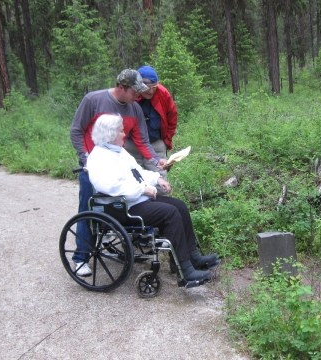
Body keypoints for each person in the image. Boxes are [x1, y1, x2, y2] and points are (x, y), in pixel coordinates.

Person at [87, 114, 220, 283]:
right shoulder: (100, 157)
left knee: (180, 206)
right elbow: (110, 187)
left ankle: (193, 257)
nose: (124, 134)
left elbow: (138, 172)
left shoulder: (118, 152)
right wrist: (142, 189)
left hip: (136, 201)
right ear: (109, 134)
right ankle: (186, 271)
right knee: (170, 213)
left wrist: (157, 179)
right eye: (121, 131)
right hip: (122, 207)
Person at [70, 69, 167, 276]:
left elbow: (141, 139)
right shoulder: (93, 100)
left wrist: (156, 160)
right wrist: (87, 159)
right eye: (134, 92)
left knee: (125, 200)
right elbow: (76, 130)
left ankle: (119, 236)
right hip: (93, 164)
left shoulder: (134, 108)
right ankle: (81, 258)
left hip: (115, 162)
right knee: (88, 208)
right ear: (121, 87)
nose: (137, 96)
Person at [124, 66, 177, 196]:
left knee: (161, 183)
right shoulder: (131, 95)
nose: (151, 91)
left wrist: (166, 141)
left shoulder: (163, 93)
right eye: (148, 88)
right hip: (131, 144)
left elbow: (172, 117)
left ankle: (162, 210)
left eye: (154, 87)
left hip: (155, 143)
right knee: (130, 179)